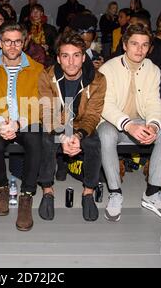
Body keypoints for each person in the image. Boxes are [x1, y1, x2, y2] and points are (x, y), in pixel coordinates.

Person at [98, 23, 161, 222]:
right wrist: (128, 125)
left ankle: (152, 193)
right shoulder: (108, 68)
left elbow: (153, 102)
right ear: (125, 45)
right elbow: (105, 105)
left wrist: (153, 125)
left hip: (140, 121)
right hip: (113, 122)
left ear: (149, 47)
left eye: (144, 45)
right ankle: (115, 192)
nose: (139, 49)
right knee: (106, 135)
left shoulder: (153, 70)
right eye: (134, 44)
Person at [37, 30, 106, 221]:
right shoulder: (47, 76)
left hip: (81, 124)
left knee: (93, 143)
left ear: (83, 57)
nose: (71, 62)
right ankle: (47, 190)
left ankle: (88, 192)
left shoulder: (98, 80)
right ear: (58, 59)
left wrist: (77, 136)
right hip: (58, 123)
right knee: (46, 138)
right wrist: (64, 135)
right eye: (65, 56)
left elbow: (93, 115)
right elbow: (47, 113)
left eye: (76, 56)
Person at [0, 21, 43, 231]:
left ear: (24, 42)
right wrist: (1, 122)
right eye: (7, 41)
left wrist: (19, 123)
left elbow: (41, 103)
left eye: (17, 41)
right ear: (0, 42)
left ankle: (26, 196)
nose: (12, 46)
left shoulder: (37, 70)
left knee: (36, 139)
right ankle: (1, 188)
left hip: (26, 121)